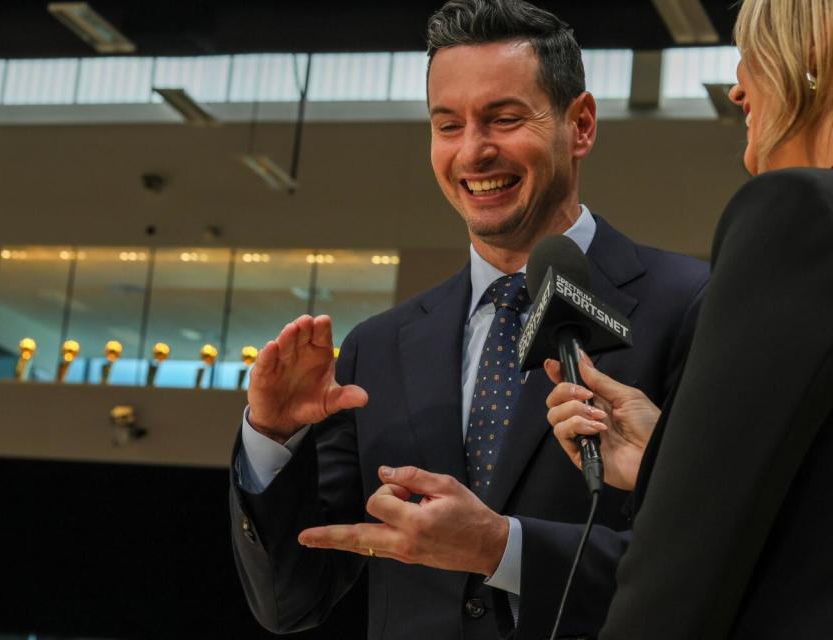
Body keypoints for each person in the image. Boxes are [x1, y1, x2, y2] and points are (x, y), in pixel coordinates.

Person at [229, 1, 708, 638]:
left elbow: (713, 566)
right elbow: (290, 603)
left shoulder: (694, 304)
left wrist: (501, 548)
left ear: (581, 124)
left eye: (504, 119)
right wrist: (272, 440)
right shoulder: (378, 347)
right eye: (447, 125)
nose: (473, 152)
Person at [544, 0, 833, 637]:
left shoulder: (795, 215)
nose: (737, 88)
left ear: (807, 64)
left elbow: (683, 566)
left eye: (752, 58)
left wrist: (683, 490)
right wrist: (668, 461)